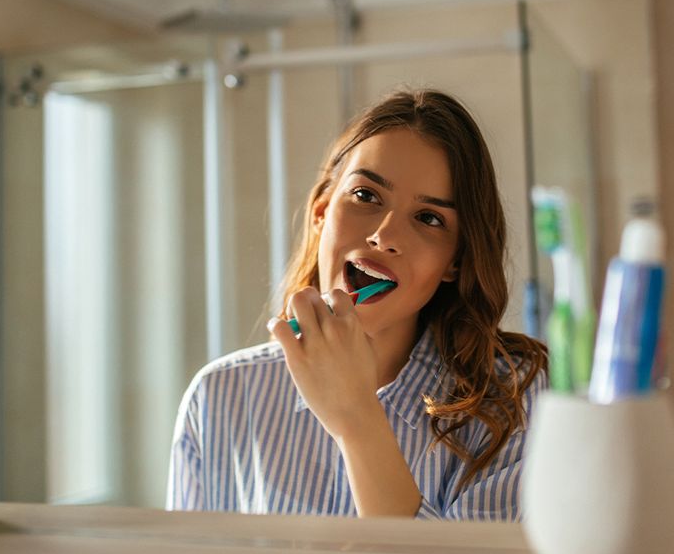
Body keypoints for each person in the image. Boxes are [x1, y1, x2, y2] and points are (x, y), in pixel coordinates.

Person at [166, 88, 547, 520]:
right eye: (366, 196)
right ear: (322, 211)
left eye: (429, 218)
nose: (384, 235)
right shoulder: (220, 396)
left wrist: (357, 420)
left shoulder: (513, 404)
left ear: (454, 263)